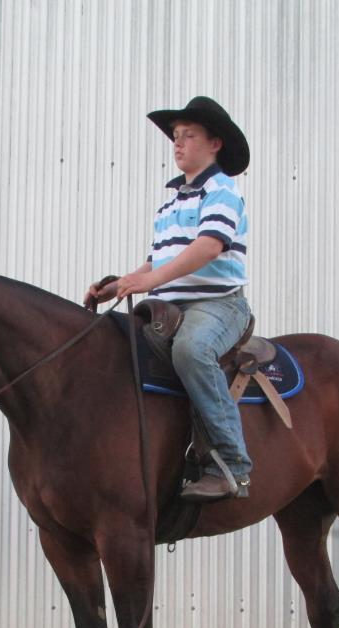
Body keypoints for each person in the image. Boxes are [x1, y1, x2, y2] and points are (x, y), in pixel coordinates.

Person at [86, 96, 253, 502]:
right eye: (175, 136)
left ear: (214, 144)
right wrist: (121, 284)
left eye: (188, 135)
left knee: (192, 350)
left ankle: (232, 464)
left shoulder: (221, 189)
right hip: (170, 306)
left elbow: (208, 246)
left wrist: (151, 280)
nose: (177, 143)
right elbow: (158, 260)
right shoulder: (171, 200)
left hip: (218, 305)